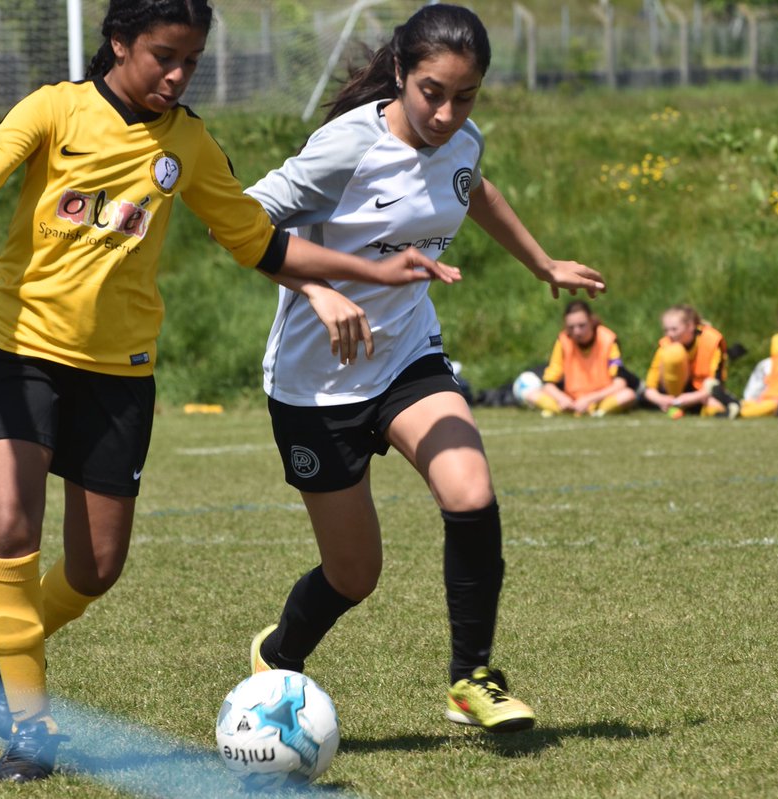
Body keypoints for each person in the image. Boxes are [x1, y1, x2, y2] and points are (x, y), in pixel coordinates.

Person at [0, 0, 458, 783]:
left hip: (121, 372)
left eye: (190, 62)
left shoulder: (187, 143)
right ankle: (29, 717)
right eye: (162, 57)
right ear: (118, 43)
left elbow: (257, 239)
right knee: (9, 519)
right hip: (21, 351)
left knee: (97, 566)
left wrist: (372, 271)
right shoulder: (55, 108)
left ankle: (15, 654)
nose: (176, 76)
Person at [244, 4, 605, 735]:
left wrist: (541, 263)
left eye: (464, 96)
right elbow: (246, 217)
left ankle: (471, 677)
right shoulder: (344, 147)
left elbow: (475, 187)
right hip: (317, 385)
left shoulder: (461, 139)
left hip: (408, 359)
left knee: (470, 492)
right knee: (355, 574)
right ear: (401, 74)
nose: (446, 113)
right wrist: (316, 287)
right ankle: (279, 651)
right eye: (432, 92)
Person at [521, 300, 637, 417]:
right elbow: (549, 382)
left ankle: (592, 411)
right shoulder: (563, 340)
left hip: (601, 398)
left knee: (628, 395)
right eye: (571, 327)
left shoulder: (608, 339)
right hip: (571, 399)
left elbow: (620, 383)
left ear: (591, 321)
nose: (576, 332)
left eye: (582, 325)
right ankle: (574, 410)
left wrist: (590, 399)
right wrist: (563, 399)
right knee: (531, 394)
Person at [642, 304, 737, 416]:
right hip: (671, 394)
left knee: (714, 404)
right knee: (674, 353)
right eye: (666, 330)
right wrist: (661, 399)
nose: (670, 334)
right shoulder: (666, 344)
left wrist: (690, 399)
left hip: (700, 394)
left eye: (674, 329)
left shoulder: (711, 340)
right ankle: (676, 406)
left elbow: (716, 383)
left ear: (690, 326)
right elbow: (649, 387)